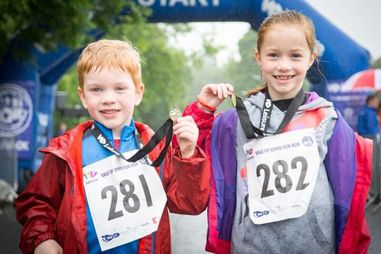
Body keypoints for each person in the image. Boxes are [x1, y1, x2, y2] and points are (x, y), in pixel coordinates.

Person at [183, 10, 372, 254]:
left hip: (315, 246)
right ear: (258, 57)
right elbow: (192, 156)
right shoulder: (235, 120)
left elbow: (350, 192)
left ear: (311, 58)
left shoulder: (327, 119)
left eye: (295, 56)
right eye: (273, 55)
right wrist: (202, 109)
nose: (284, 65)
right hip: (251, 246)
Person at [15, 39, 210, 254]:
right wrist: (43, 239)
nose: (108, 99)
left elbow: (190, 203)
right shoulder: (67, 150)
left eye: (119, 89)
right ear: (83, 96)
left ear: (138, 93)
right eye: (97, 90)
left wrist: (188, 154)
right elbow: (36, 202)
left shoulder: (156, 148)